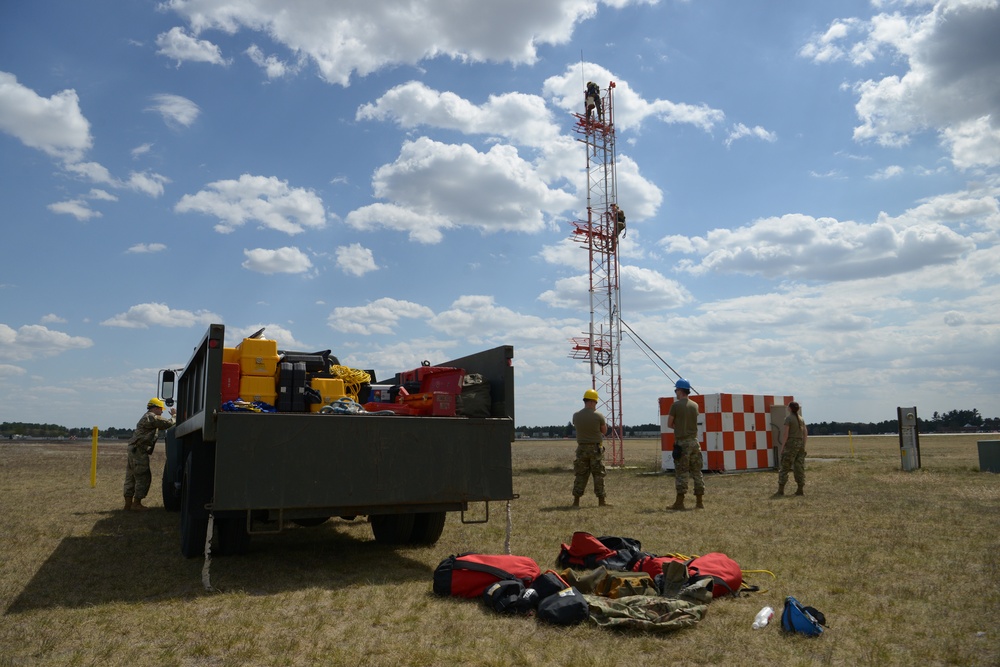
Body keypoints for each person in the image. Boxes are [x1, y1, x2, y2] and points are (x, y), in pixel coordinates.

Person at [123, 397, 175, 511]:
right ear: (156, 408)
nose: (162, 412)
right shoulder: (151, 417)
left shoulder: (147, 417)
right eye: (161, 409)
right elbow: (168, 424)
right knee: (143, 476)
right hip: (139, 450)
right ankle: (136, 504)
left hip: (135, 449)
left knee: (131, 476)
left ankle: (128, 504)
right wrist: (175, 416)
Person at [667, 378, 704, 510]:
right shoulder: (695, 405)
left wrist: (679, 427)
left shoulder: (675, 405)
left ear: (680, 390)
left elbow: (669, 424)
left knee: (682, 473)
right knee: (697, 472)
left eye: (676, 389)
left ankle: (679, 502)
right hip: (694, 442)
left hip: (682, 443)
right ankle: (699, 502)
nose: (675, 392)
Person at [571, 388, 608, 507]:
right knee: (598, 475)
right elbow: (604, 431)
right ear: (592, 401)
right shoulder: (599, 416)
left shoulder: (576, 415)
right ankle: (601, 501)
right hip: (595, 449)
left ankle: (576, 501)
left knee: (580, 474)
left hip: (581, 449)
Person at [777, 401, 808, 496]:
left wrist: (782, 447)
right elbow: (805, 434)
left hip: (791, 444)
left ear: (790, 408)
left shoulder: (788, 419)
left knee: (785, 466)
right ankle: (800, 489)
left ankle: (781, 490)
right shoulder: (801, 419)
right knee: (799, 467)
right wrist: (803, 445)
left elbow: (786, 434)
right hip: (800, 444)